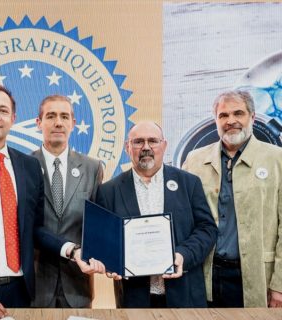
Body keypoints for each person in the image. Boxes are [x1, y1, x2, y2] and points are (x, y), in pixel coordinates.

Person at [0, 84, 65, 319]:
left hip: (21, 291)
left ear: (13, 118)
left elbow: (34, 228)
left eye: (3, 110)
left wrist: (70, 249)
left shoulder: (29, 167)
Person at [96, 121, 217, 308]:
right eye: (138, 142)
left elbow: (207, 229)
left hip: (184, 296)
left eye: (153, 141)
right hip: (134, 299)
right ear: (127, 147)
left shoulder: (189, 183)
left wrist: (183, 255)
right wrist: (111, 262)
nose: (146, 147)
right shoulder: (108, 191)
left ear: (164, 145)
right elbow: (104, 240)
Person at [182, 90, 282, 308]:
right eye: (223, 115)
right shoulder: (195, 160)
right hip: (206, 275)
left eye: (239, 113)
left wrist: (279, 285)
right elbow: (181, 217)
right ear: (215, 120)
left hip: (258, 277)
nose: (231, 121)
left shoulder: (277, 159)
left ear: (252, 117)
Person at [32, 95, 105, 308]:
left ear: (73, 123)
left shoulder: (93, 168)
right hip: (35, 284)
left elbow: (98, 224)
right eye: (51, 116)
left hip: (78, 284)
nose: (58, 122)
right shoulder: (24, 166)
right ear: (39, 123)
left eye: (64, 116)